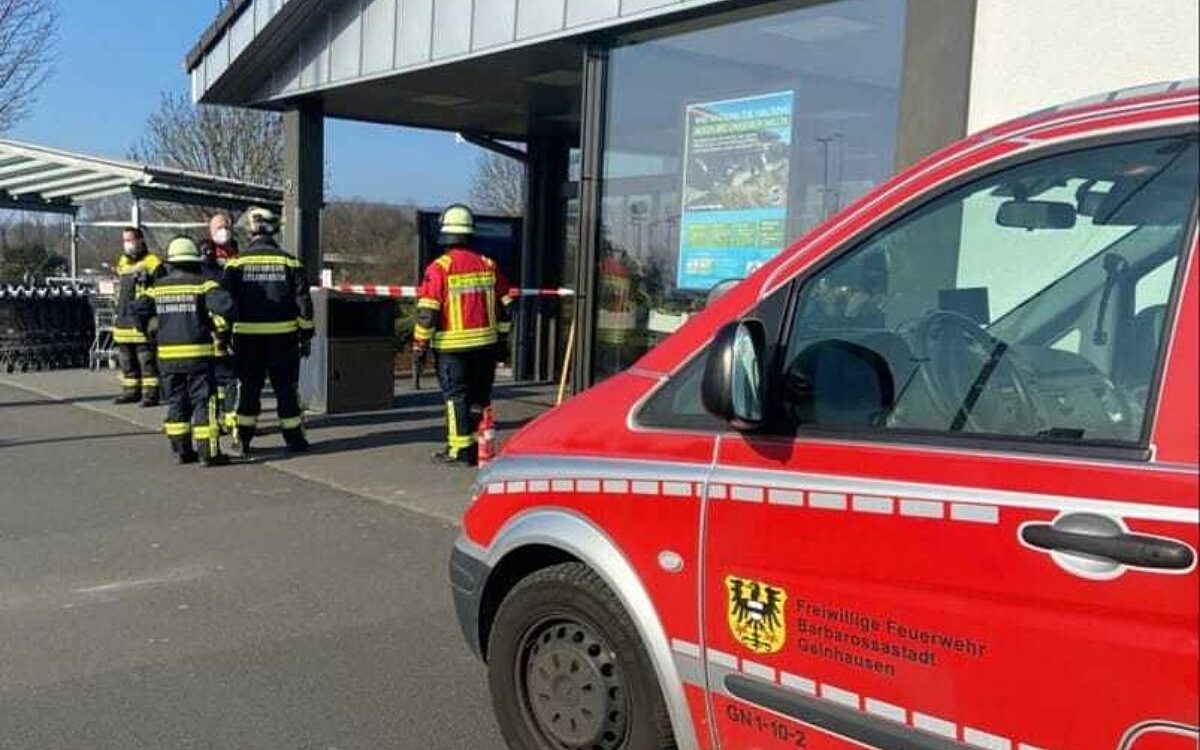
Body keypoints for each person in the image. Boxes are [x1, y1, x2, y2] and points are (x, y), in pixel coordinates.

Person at [413, 204, 513, 467]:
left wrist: (419, 344)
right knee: (480, 398)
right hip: (486, 346)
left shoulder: (440, 268)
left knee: (456, 398)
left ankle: (459, 451)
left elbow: (428, 312)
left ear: (445, 234)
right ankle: (481, 448)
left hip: (452, 348)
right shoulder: (488, 264)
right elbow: (506, 306)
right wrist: (503, 341)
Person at [133, 236, 237, 466]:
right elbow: (228, 306)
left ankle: (182, 450)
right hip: (199, 356)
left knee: (177, 401)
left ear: (171, 262)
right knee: (203, 402)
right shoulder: (203, 284)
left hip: (167, 357)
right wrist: (217, 328)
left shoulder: (157, 288)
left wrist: (148, 332)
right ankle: (208, 453)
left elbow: (138, 309)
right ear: (194, 261)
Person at [221, 206, 314, 456]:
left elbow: (224, 303)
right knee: (285, 390)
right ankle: (294, 441)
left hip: (246, 340)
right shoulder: (289, 261)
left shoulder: (236, 264)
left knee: (248, 390)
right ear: (274, 231)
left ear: (250, 231)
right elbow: (304, 304)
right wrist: (306, 336)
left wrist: (223, 335)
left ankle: (243, 440)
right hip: (283, 339)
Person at [112, 226, 165, 406]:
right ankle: (131, 391)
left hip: (142, 320)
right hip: (123, 320)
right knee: (126, 360)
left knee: (146, 360)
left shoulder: (153, 261)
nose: (128, 244)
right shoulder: (122, 262)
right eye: (125, 240)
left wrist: (145, 303)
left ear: (140, 240)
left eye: (131, 240)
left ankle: (151, 394)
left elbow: (161, 287)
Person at [199, 212, 241, 436]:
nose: (223, 230)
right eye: (218, 227)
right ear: (210, 231)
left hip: (233, 322)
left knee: (233, 375)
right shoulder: (205, 255)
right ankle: (215, 418)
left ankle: (231, 417)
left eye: (226, 226)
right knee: (213, 376)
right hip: (212, 324)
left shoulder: (236, 250)